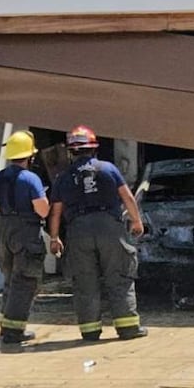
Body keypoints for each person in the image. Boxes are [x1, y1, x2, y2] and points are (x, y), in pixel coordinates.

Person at [48, 125, 148, 341]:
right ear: (94, 149)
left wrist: (55, 238)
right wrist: (137, 221)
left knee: (85, 281)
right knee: (120, 276)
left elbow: (55, 212)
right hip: (110, 228)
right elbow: (127, 197)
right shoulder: (108, 169)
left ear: (71, 151)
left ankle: (90, 331)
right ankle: (128, 328)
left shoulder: (63, 177)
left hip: (78, 231)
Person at [0, 130, 50, 344]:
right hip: (27, 234)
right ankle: (14, 332)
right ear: (29, 156)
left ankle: (6, 326)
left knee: (10, 281)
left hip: (5, 232)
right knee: (24, 282)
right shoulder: (31, 179)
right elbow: (42, 210)